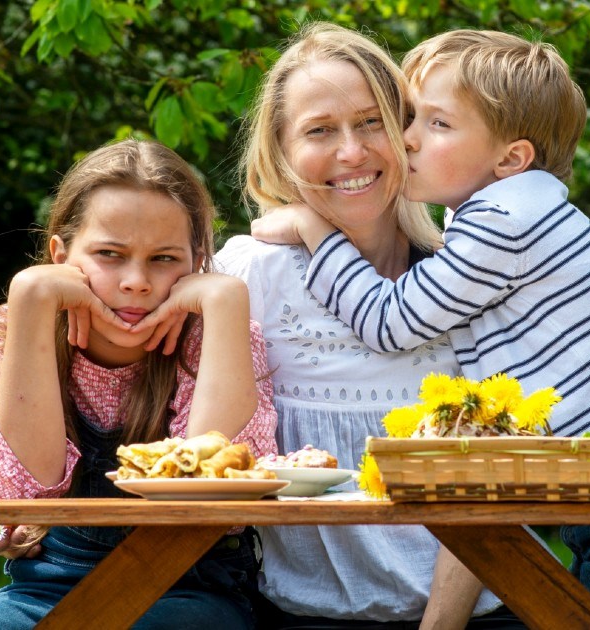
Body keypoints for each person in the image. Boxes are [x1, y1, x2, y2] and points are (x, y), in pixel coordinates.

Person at [251, 30, 590, 628]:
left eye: (436, 123)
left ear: (509, 158)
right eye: (411, 117)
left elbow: (390, 322)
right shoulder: (511, 211)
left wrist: (317, 233)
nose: (407, 138)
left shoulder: (504, 220)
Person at [214, 23, 524, 628]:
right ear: (279, 153)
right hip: (302, 614)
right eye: (320, 131)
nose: (351, 152)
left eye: (372, 121)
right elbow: (116, 333)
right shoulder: (247, 277)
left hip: (477, 609)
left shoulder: (465, 278)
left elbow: (497, 476)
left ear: (408, 135)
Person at [0, 138, 278, 630]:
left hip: (190, 594)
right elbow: (23, 493)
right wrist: (31, 297)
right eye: (109, 254)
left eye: (164, 258)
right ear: (60, 254)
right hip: (42, 593)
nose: (136, 281)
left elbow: (210, 496)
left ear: (197, 260)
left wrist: (226, 302)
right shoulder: (6, 332)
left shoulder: (217, 335)